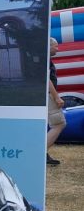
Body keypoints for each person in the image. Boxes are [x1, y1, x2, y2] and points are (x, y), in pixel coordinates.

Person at [46, 37, 65, 165]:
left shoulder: (42, 59)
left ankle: (44, 154)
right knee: (59, 124)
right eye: (55, 46)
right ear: (49, 46)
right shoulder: (46, 60)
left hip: (46, 95)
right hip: (49, 95)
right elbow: (47, 80)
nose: (57, 49)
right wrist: (56, 97)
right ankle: (40, 153)